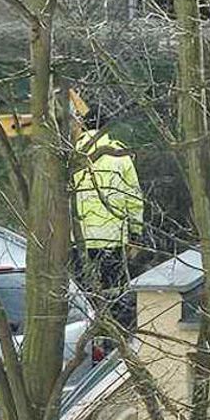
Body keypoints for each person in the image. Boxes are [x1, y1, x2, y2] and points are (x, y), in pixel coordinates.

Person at [69, 91, 144, 328]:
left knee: (84, 296)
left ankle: (91, 334)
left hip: (80, 239)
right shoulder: (119, 154)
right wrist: (136, 234)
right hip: (112, 239)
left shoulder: (72, 154)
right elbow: (133, 199)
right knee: (115, 292)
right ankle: (119, 332)